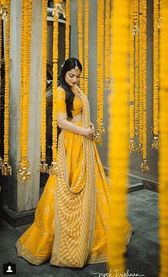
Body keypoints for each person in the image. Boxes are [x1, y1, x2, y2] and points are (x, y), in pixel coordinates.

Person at [15, 57, 133, 267]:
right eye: (72, 75)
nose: (75, 79)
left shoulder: (76, 90)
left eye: (78, 76)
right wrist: (85, 131)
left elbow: (79, 115)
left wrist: (89, 126)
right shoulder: (61, 92)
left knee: (92, 185)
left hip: (84, 141)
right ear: (64, 73)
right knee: (67, 186)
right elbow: (61, 122)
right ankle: (64, 238)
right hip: (71, 142)